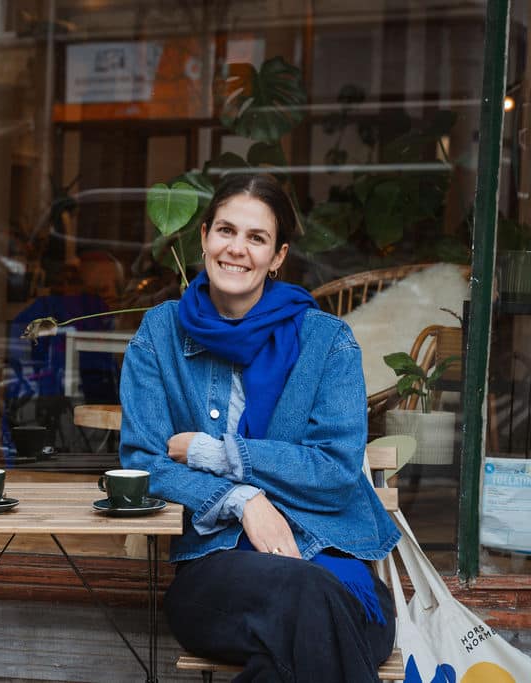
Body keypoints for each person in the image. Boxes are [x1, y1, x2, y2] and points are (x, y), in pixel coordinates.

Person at [119, 174, 399, 682]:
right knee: (307, 601)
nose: (237, 249)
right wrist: (243, 501)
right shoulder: (159, 334)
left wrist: (222, 455)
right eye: (226, 231)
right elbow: (143, 462)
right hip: (218, 572)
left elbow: (335, 467)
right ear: (203, 236)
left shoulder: (327, 342)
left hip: (334, 562)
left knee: (289, 652)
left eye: (257, 238)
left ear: (277, 256)